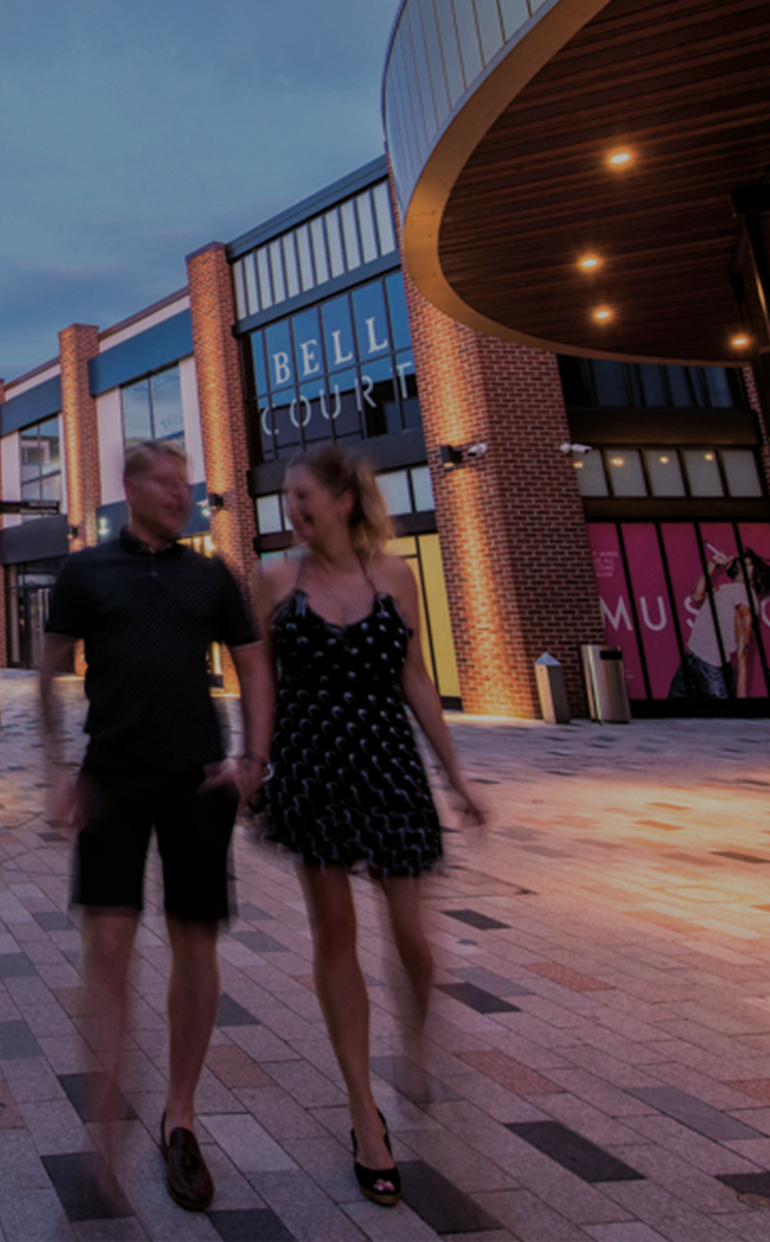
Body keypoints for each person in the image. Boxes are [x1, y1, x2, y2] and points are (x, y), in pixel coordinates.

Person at [37, 439, 272, 1213]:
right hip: (112, 778)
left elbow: (253, 664)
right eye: (166, 482)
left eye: (185, 482)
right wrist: (55, 771)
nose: (181, 493)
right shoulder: (83, 571)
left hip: (197, 779)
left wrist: (254, 759)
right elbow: (48, 671)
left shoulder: (210, 575)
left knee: (194, 941)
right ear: (130, 488)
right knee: (107, 945)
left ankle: (181, 1114)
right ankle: (103, 1125)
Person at [253, 444, 486, 1208]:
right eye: (287, 497)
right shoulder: (275, 580)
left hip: (387, 764)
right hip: (314, 766)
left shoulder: (395, 576)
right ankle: (364, 1112)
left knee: (413, 941)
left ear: (345, 500)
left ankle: (415, 1043)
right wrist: (252, 760)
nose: (293, 508)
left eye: (304, 496)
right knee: (336, 939)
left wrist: (456, 777)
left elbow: (414, 676)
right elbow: (254, 679)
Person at [671, 546, 770, 700]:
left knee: (721, 719)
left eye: (744, 562)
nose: (735, 560)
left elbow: (743, 648)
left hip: (710, 666)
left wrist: (741, 696)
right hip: (692, 657)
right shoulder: (726, 589)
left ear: (753, 574)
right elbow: (696, 596)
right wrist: (713, 563)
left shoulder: (745, 595)